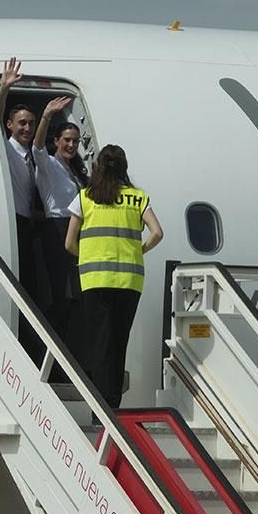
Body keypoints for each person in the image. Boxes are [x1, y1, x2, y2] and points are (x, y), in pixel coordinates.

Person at [65, 145, 163, 408]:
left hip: (95, 279)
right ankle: (114, 402)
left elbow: (69, 242)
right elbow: (157, 233)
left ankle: (100, 406)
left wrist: (87, 256)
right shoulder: (137, 198)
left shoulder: (86, 197)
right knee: (119, 342)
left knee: (99, 344)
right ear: (124, 167)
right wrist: (139, 250)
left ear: (99, 167)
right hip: (129, 281)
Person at [0, 57, 45, 361]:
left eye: (31, 123)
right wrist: (4, 89)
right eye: (22, 123)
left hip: (30, 225)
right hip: (14, 224)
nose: (27, 128)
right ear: (10, 125)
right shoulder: (6, 148)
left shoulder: (34, 155)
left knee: (33, 291)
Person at [31, 95, 88, 346]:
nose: (71, 145)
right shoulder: (49, 165)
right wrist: (46, 116)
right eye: (66, 140)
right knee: (63, 296)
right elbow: (37, 147)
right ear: (57, 141)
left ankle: (64, 345)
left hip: (75, 230)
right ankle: (43, 344)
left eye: (75, 141)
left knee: (74, 297)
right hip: (57, 229)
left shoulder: (75, 171)